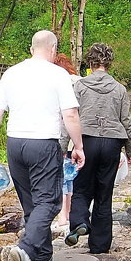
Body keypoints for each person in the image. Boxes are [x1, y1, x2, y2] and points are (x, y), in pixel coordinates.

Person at [0, 30, 86, 261]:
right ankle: (26, 248)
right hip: (43, 143)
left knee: (31, 203)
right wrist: (79, 146)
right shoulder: (58, 74)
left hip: (15, 143)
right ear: (53, 49)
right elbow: (70, 114)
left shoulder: (12, 72)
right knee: (49, 202)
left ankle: (41, 259)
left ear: (32, 49)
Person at [64, 43, 131, 254]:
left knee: (82, 187)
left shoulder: (80, 86)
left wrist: (61, 146)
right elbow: (126, 122)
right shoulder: (119, 89)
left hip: (85, 141)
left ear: (91, 62)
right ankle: (100, 245)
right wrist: (130, 149)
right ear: (109, 63)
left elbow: (70, 117)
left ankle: (79, 223)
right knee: (104, 193)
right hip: (112, 142)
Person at [53, 53, 82, 229]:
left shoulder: (59, 83)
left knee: (62, 176)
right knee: (70, 174)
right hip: (78, 135)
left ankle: (62, 216)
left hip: (63, 135)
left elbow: (63, 116)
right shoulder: (80, 82)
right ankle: (69, 213)